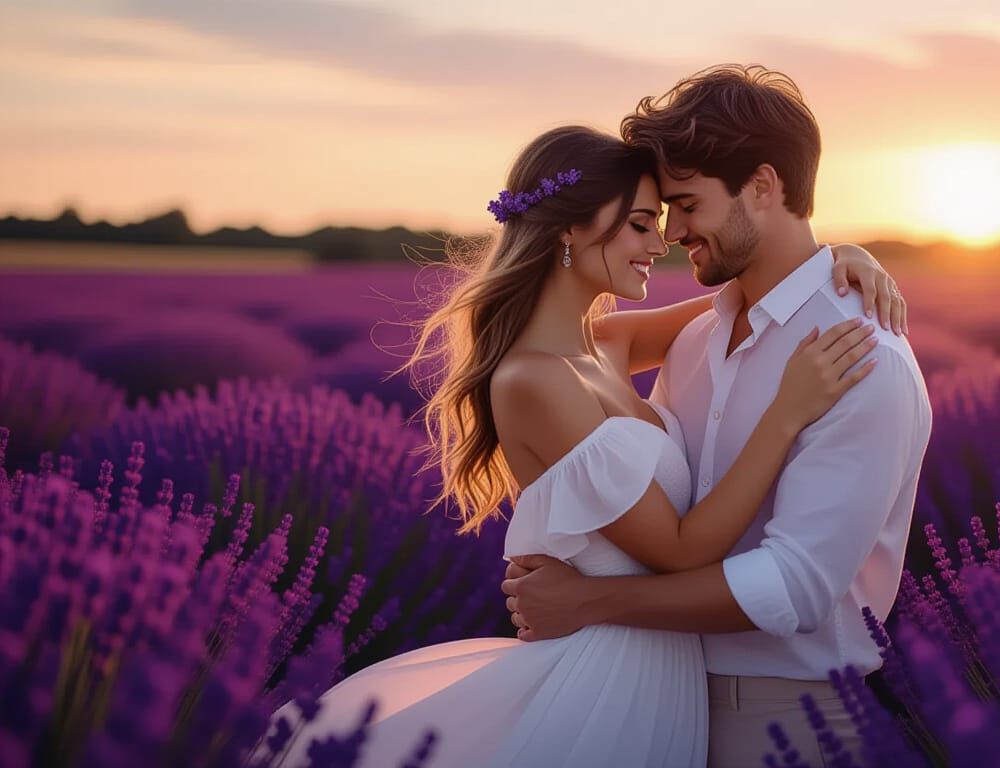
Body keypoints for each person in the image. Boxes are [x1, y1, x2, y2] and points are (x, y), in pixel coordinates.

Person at [255, 122, 908, 767]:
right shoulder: (535, 381)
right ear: (570, 229)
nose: (661, 242)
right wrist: (786, 413)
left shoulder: (607, 346)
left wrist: (840, 260)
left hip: (663, 674)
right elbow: (683, 550)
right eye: (641, 223)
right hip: (609, 681)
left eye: (662, 220)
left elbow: (766, 298)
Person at [501, 64, 933, 767]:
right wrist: (831, 259)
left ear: (762, 187)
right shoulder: (699, 336)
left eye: (685, 205)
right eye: (653, 216)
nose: (671, 233)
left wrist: (589, 601)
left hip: (784, 718)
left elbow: (795, 586)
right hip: (653, 697)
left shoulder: (863, 361)